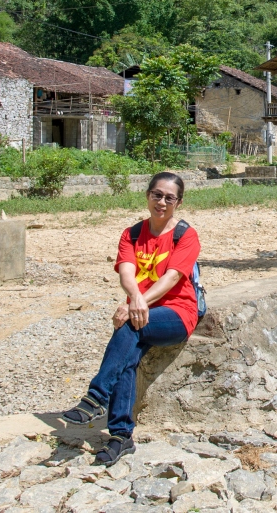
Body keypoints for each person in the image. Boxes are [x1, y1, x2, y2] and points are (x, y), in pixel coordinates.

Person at [61, 171, 202, 465]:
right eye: (157, 195)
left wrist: (138, 302)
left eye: (169, 198)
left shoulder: (185, 235)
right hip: (139, 312)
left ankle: (96, 397)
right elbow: (126, 272)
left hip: (177, 313)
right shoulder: (132, 234)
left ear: (179, 202)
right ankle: (121, 437)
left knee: (128, 326)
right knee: (127, 355)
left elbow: (174, 277)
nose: (161, 202)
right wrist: (135, 300)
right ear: (147, 195)